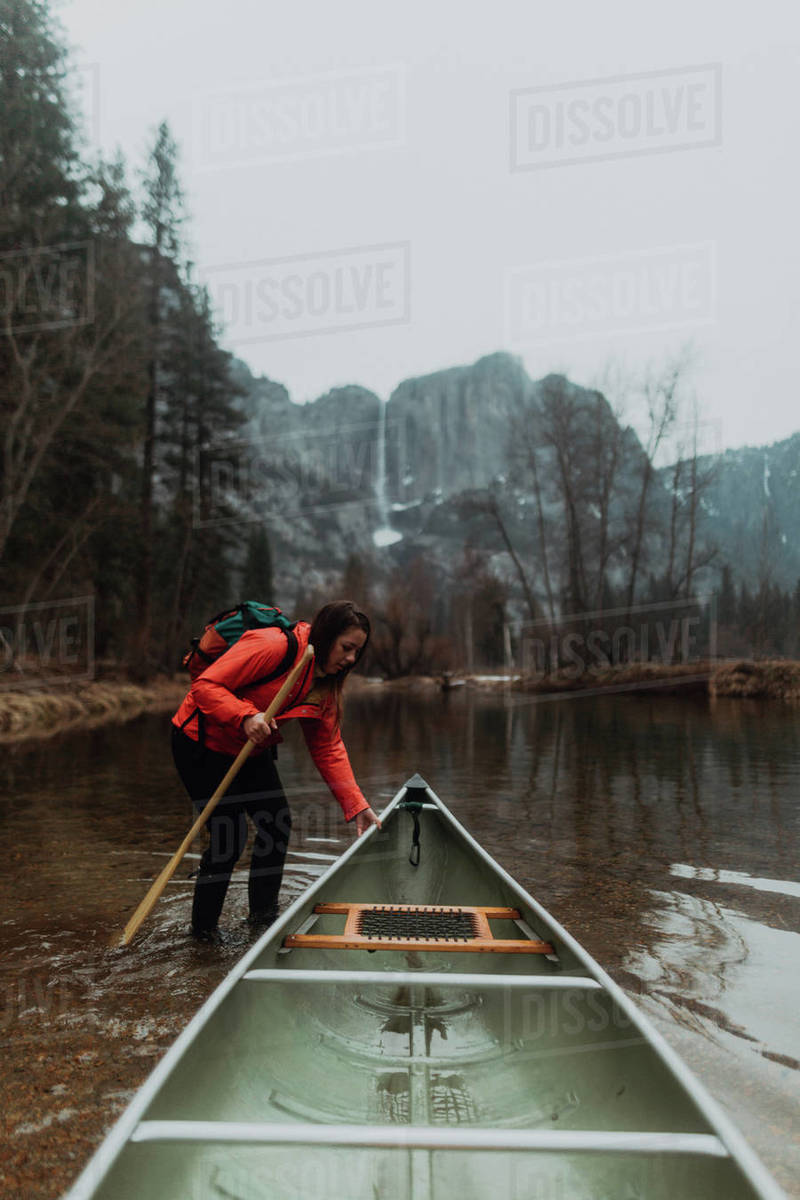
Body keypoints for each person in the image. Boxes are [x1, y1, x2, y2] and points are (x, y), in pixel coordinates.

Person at [171, 600, 380, 941]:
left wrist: (357, 804)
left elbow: (327, 747)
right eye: (347, 648)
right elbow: (205, 686)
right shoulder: (274, 646)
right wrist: (245, 716)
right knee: (230, 835)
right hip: (199, 742)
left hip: (251, 748)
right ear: (327, 636)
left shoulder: (323, 684)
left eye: (357, 652)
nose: (351, 659)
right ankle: (204, 934)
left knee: (276, 823)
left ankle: (262, 921)